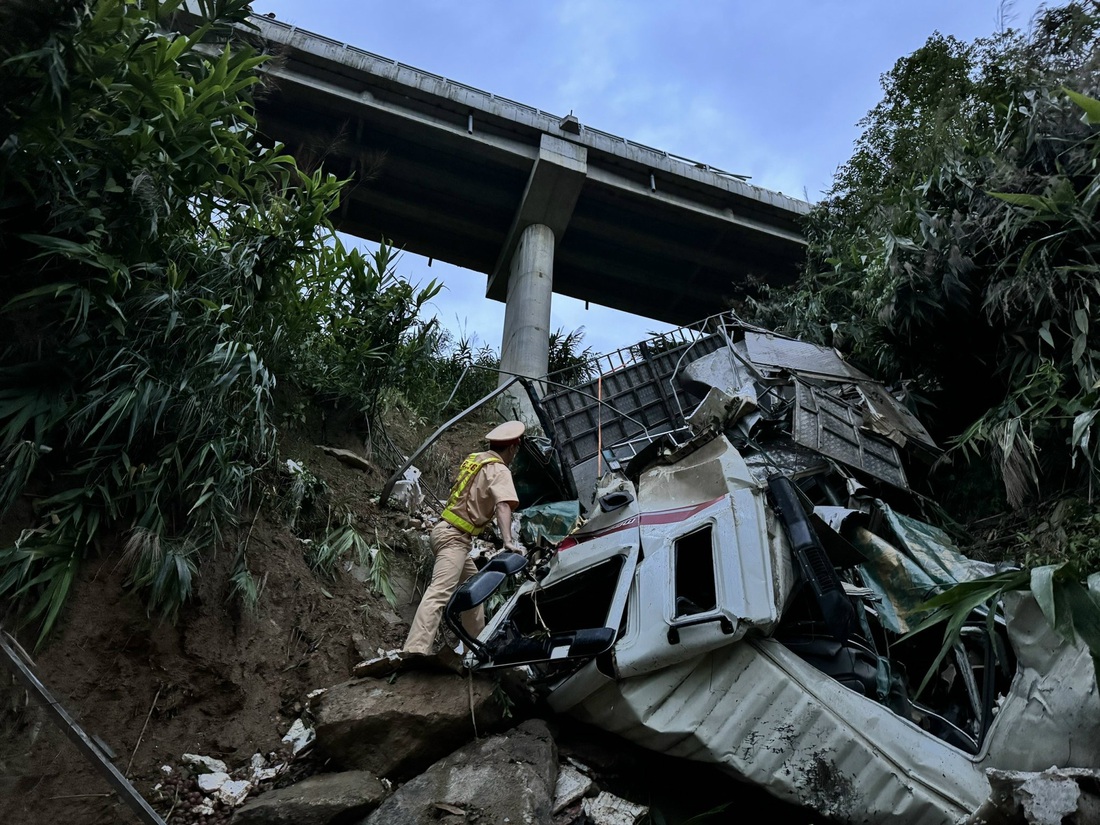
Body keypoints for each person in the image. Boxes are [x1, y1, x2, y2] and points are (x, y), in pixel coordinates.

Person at [402, 420, 526, 656]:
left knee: (474, 592)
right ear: (512, 448)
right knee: (439, 593)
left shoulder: (475, 460)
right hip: (454, 539)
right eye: (515, 451)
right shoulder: (499, 470)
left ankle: (475, 648)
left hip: (446, 531)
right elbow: (503, 506)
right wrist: (508, 541)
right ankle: (415, 650)